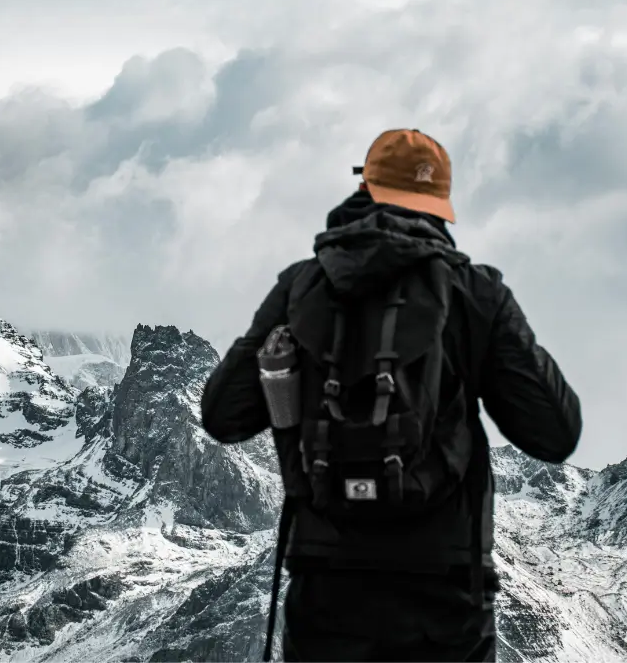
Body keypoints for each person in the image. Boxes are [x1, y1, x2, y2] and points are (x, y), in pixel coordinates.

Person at [199, 129, 582, 662]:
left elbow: (223, 415)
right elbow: (554, 433)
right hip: (445, 597)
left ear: (365, 187)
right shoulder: (474, 293)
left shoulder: (301, 286)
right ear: (439, 205)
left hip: (327, 588)